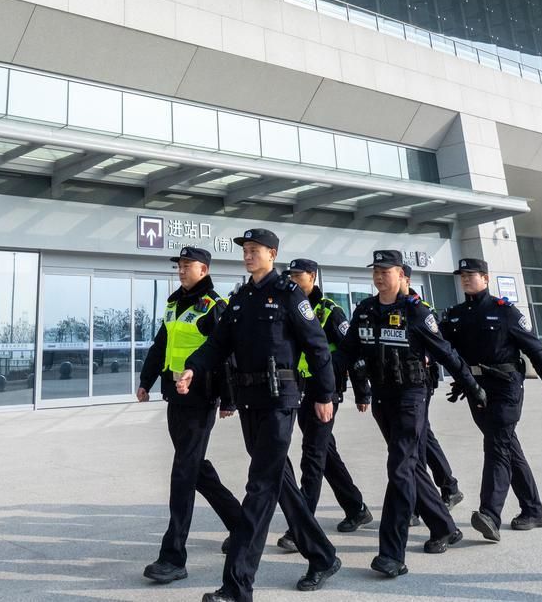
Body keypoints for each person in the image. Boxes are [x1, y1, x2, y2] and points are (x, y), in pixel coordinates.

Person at [177, 228, 342, 601]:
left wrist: (324, 393)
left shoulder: (289, 294)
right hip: (250, 401)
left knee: (260, 488)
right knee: (279, 482)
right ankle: (322, 555)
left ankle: (237, 586)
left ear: (272, 254)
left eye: (255, 249)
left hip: (280, 401)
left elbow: (317, 346)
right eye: (245, 250)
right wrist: (193, 368)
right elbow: (218, 344)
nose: (248, 254)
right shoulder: (240, 299)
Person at [341, 248, 482, 578]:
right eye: (376, 271)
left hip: (411, 396)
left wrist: (473, 386)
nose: (379, 276)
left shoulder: (416, 311)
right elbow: (346, 353)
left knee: (399, 468)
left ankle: (391, 554)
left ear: (402, 275)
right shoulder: (365, 310)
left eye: (386, 271)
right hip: (383, 398)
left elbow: (445, 352)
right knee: (412, 466)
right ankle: (444, 527)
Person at [135, 246, 244, 585]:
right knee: (195, 468)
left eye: (187, 265)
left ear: (203, 269)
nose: (181, 270)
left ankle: (173, 557)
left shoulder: (214, 305)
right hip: (174, 395)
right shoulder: (173, 305)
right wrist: (146, 381)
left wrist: (228, 399)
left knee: (183, 472)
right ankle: (243, 525)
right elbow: (161, 346)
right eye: (179, 266)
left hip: (201, 396)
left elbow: (226, 354)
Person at [441, 257, 542, 542]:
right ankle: (533, 510)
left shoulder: (504, 311)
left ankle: (489, 514)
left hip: (506, 387)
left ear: (485, 278)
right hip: (475, 388)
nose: (466, 279)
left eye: (471, 274)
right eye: (462, 275)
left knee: (496, 446)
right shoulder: (455, 315)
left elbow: (534, 347)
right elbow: (439, 346)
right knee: (506, 447)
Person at [274, 259, 371, 552]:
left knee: (312, 457)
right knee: (325, 453)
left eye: (298, 275)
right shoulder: (289, 306)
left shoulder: (329, 311)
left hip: (324, 394)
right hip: (298, 391)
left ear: (312, 277)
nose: (292, 279)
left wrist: (362, 391)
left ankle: (301, 528)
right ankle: (356, 508)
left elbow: (352, 351)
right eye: (290, 275)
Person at [401, 267, 462, 510]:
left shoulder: (421, 308)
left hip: (420, 381)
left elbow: (438, 343)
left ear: (405, 279)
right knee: (422, 434)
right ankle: (448, 486)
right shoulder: (387, 306)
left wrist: (427, 356)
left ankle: (422, 499)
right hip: (398, 385)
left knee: (418, 436)